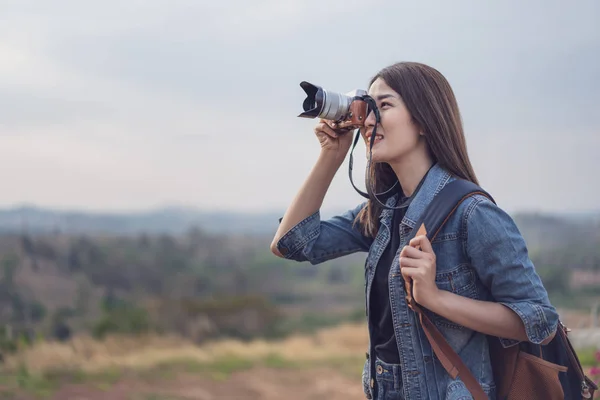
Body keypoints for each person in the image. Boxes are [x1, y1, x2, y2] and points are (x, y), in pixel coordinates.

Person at [270, 62, 558, 400]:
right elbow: (291, 244)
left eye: (385, 105)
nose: (368, 120)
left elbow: (539, 319)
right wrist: (331, 155)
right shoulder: (382, 212)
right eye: (367, 108)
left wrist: (436, 299)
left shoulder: (473, 213)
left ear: (422, 119)